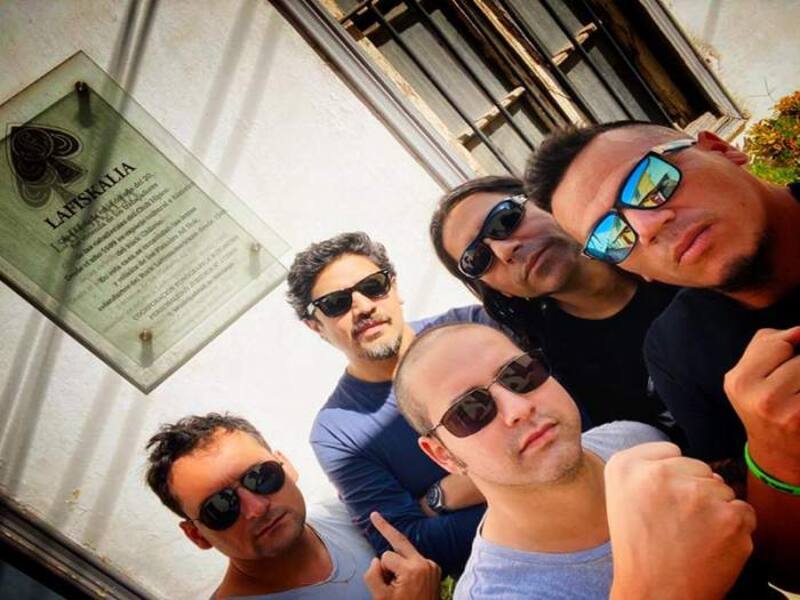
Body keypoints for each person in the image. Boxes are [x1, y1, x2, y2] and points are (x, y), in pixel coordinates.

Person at [532, 120, 800, 590]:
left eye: (650, 181)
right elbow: (786, 568)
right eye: (613, 236)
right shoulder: (678, 351)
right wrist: (775, 457)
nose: (647, 226)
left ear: (721, 148)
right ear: (636, 270)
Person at [393, 322, 758, 599]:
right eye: (469, 411)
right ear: (443, 454)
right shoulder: (498, 593)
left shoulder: (634, 440)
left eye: (520, 373)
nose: (518, 408)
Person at [286, 232, 491, 576]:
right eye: (336, 303)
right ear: (315, 327)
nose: (363, 306)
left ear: (394, 287)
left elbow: (577, 416)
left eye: (373, 286)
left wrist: (440, 498)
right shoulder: (337, 433)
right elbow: (409, 544)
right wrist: (524, 494)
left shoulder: (473, 327)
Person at [430, 176, 678, 434]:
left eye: (504, 220)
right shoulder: (549, 373)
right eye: (478, 259)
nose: (505, 251)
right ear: (498, 290)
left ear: (543, 201)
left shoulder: (662, 240)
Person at [144, 413, 440, 599]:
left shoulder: (349, 513)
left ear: (285, 467)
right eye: (220, 507)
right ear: (197, 535)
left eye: (260, 477)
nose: (255, 508)